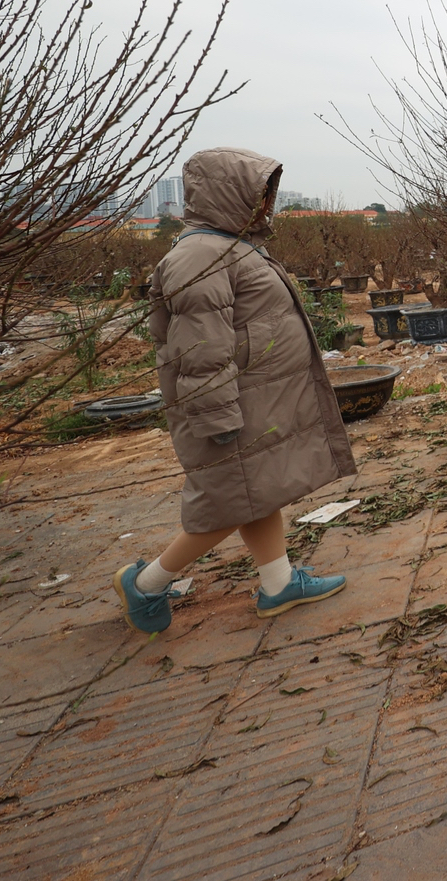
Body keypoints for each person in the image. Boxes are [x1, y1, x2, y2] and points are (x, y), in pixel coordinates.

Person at [114, 147, 359, 634]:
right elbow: (200, 347)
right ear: (230, 194)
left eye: (267, 195)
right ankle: (146, 584)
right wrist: (216, 417)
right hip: (231, 406)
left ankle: (278, 584)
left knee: (256, 492)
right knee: (224, 505)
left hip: (254, 398)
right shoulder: (200, 255)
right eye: (259, 194)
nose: (267, 205)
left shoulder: (229, 246)